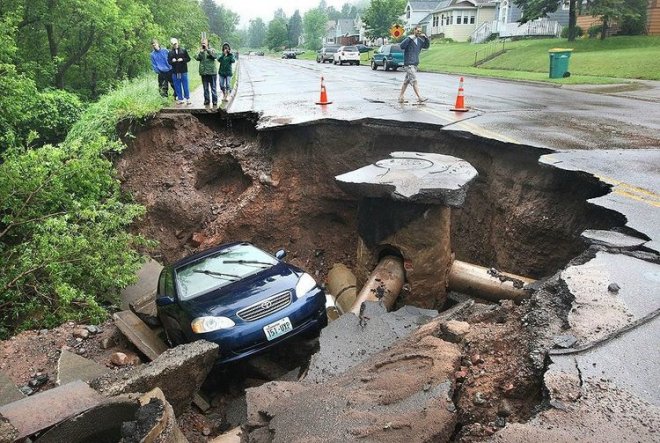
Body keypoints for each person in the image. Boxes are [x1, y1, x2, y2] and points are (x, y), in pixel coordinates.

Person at [398, 26, 430, 104]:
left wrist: (426, 38)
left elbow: (426, 46)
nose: (419, 32)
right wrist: (410, 38)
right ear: (414, 30)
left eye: (420, 31)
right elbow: (401, 46)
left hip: (415, 63)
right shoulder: (409, 39)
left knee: (406, 82)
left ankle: (400, 97)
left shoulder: (419, 41)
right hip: (408, 64)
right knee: (414, 80)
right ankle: (419, 97)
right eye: (418, 31)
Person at [168, 38, 192, 105]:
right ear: (171, 44)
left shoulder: (183, 50)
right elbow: (169, 61)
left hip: (183, 71)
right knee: (177, 85)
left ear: (178, 43)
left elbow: (188, 59)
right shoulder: (170, 52)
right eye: (173, 44)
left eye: (175, 43)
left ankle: (187, 98)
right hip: (175, 72)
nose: (174, 45)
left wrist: (182, 59)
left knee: (185, 85)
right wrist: (172, 61)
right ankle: (180, 99)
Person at [195, 38, 218, 107]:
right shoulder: (201, 51)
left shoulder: (212, 49)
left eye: (204, 42)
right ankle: (207, 100)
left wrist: (207, 49)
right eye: (202, 43)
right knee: (205, 88)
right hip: (204, 72)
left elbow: (214, 56)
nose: (203, 44)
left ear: (207, 43)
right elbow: (197, 58)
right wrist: (201, 52)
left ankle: (214, 101)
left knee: (213, 88)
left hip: (212, 72)